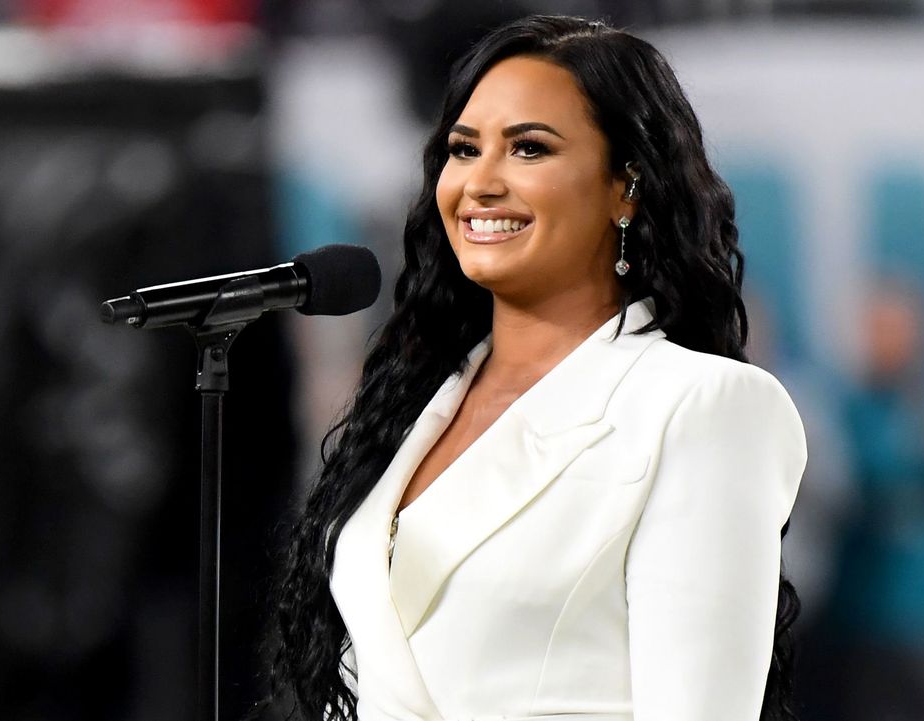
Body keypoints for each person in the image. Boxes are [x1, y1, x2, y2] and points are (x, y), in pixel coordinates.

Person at [268, 15, 807, 721]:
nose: (481, 181)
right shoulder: (410, 407)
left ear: (625, 187)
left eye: (528, 148)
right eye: (464, 150)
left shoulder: (701, 406)